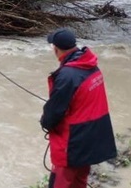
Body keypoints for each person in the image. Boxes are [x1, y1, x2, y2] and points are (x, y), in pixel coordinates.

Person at [40, 28, 117, 188]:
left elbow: (53, 113)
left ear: (56, 49)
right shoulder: (91, 65)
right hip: (92, 137)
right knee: (79, 181)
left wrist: (45, 122)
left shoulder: (67, 75)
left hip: (73, 141)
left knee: (60, 183)